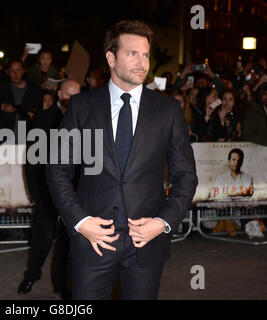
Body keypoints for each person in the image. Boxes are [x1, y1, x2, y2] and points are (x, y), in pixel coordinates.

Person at [46, 20, 198, 300]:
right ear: (111, 57)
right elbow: (57, 169)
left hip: (146, 241)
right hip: (93, 240)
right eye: (132, 54)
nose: (142, 63)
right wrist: (79, 222)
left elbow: (186, 177)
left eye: (145, 55)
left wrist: (163, 222)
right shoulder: (82, 107)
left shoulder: (168, 111)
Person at [18, 79, 81, 299]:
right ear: (59, 94)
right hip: (46, 192)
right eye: (68, 95)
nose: (72, 100)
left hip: (72, 194)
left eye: (77, 95)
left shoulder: (84, 120)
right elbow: (32, 159)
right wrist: (35, 192)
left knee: (66, 240)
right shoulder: (44, 119)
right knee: (42, 238)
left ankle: (61, 284)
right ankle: (31, 275)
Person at [210, 148, 254, 236]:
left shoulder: (247, 177)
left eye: (239, 160)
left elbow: (246, 194)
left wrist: (229, 194)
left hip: (240, 208)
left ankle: (226, 223)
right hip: (225, 207)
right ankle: (227, 223)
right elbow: (217, 195)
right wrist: (234, 194)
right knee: (221, 201)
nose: (236, 163)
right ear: (229, 161)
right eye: (234, 160)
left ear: (241, 162)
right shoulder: (221, 178)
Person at [0, 60, 42, 135]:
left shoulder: (34, 89)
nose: (16, 73)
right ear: (8, 72)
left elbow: (37, 113)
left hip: (27, 133)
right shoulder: (2, 88)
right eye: (12, 70)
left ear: (23, 71)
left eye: (18, 70)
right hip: (5, 133)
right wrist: (2, 107)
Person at [243, 83, 267, 148]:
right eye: (264, 94)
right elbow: (247, 134)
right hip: (255, 152)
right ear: (260, 95)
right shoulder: (253, 111)